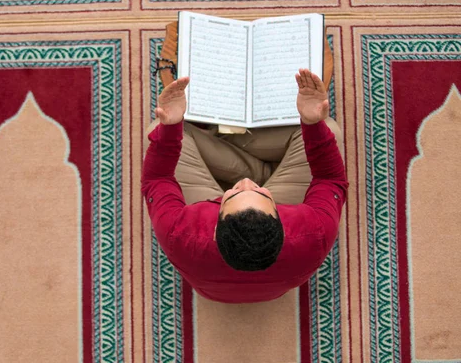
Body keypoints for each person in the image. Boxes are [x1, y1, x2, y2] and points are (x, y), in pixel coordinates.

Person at [141, 69, 348, 303]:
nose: (247, 184)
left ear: (215, 227)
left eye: (233, 194)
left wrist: (171, 126)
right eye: (262, 192)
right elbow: (330, 179)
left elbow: (157, 179)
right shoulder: (313, 232)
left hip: (211, 285)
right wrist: (312, 123)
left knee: (160, 129)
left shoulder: (181, 233)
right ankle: (258, 160)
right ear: (282, 222)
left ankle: (230, 139)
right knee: (327, 127)